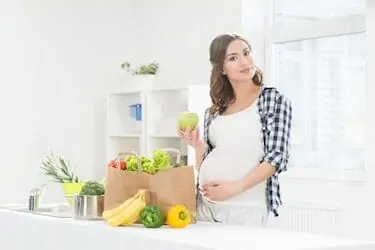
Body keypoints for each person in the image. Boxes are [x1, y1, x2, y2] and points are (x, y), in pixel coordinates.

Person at [178, 33, 292, 226]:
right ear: (222, 69)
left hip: (246, 209)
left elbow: (276, 157)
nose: (244, 61)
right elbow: (206, 164)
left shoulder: (273, 101)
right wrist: (197, 146)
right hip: (205, 207)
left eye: (246, 53)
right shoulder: (214, 111)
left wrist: (235, 188)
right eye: (233, 58)